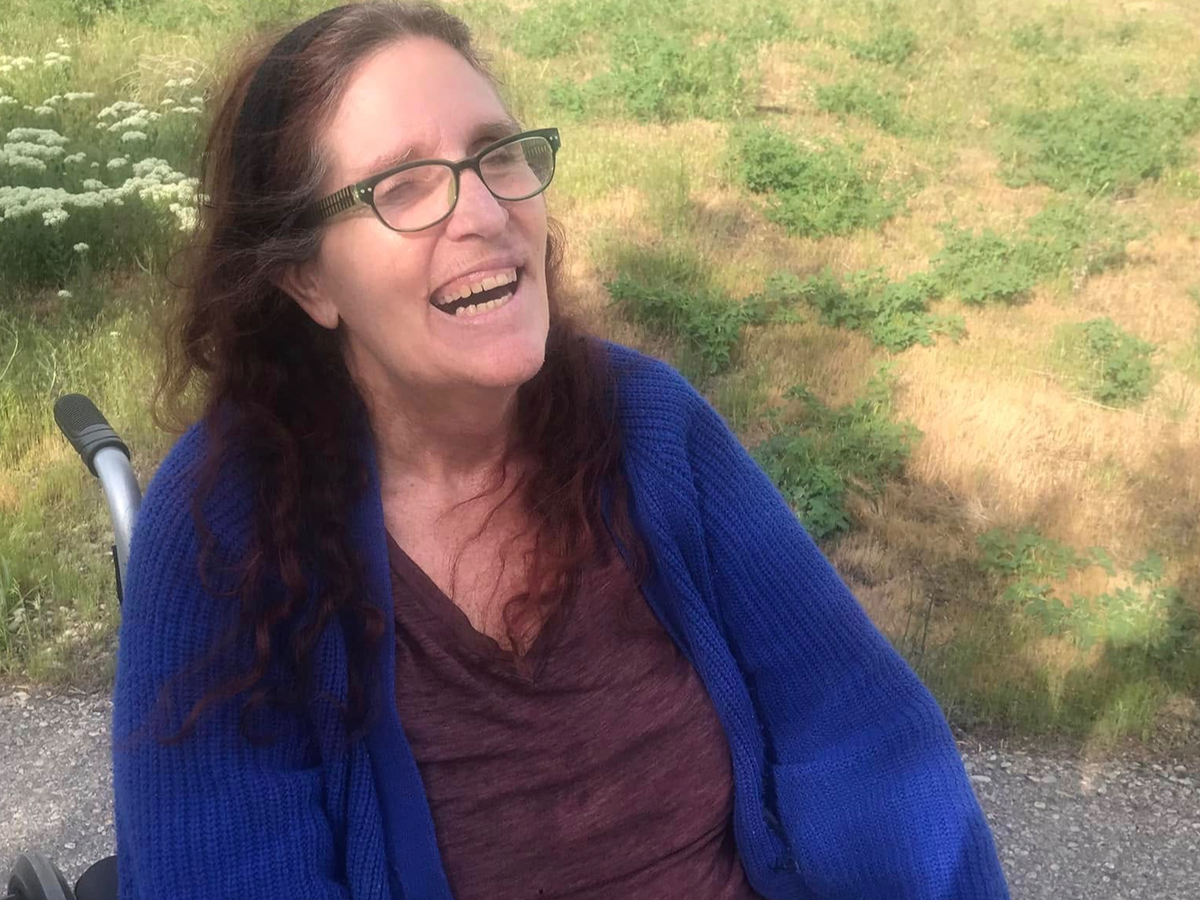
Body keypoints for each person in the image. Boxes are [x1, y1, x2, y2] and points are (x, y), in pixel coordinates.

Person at [112, 3, 1011, 898]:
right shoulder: (225, 527)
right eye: (405, 185)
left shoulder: (646, 426)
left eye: (497, 154)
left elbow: (856, 729)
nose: (484, 212)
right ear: (309, 279)